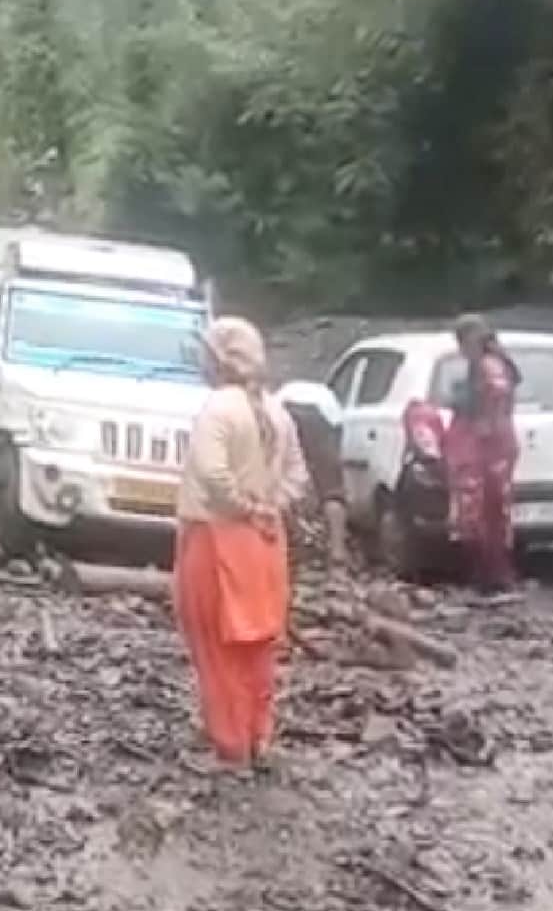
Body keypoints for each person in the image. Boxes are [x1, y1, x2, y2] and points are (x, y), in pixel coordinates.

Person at [175, 316, 308, 770]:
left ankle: (229, 747)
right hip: (267, 545)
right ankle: (258, 737)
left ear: (217, 359)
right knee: (257, 649)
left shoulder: (218, 409)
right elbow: (297, 475)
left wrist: (241, 505)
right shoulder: (277, 411)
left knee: (215, 645)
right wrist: (269, 507)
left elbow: (212, 474)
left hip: (216, 537)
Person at [444, 314, 522, 596]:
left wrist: (479, 423)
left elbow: (493, 400)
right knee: (493, 513)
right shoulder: (496, 363)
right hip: (496, 446)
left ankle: (490, 578)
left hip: (488, 448)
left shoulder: (487, 366)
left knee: (481, 513)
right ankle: (494, 576)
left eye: (461, 342)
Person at [275, 381, 349, 565]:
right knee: (332, 487)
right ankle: (337, 550)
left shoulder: (282, 393)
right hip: (322, 417)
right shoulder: (329, 399)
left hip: (285, 412)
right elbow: (336, 432)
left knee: (282, 479)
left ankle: (288, 543)